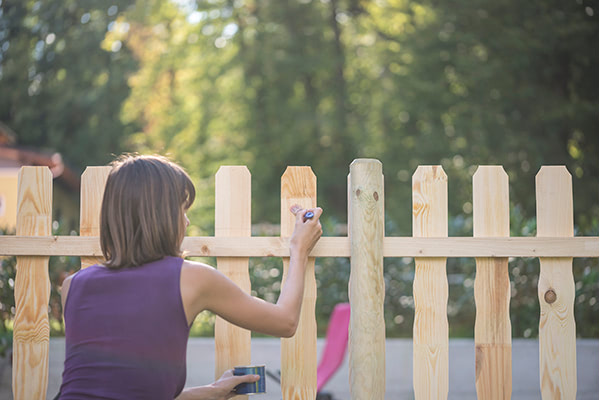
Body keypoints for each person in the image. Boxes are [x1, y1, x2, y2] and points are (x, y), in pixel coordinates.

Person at [57, 154, 323, 400]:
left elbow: (116, 388)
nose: (186, 222)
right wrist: (299, 249)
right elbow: (285, 322)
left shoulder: (73, 286)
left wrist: (211, 392)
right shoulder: (189, 278)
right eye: (182, 210)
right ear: (159, 216)